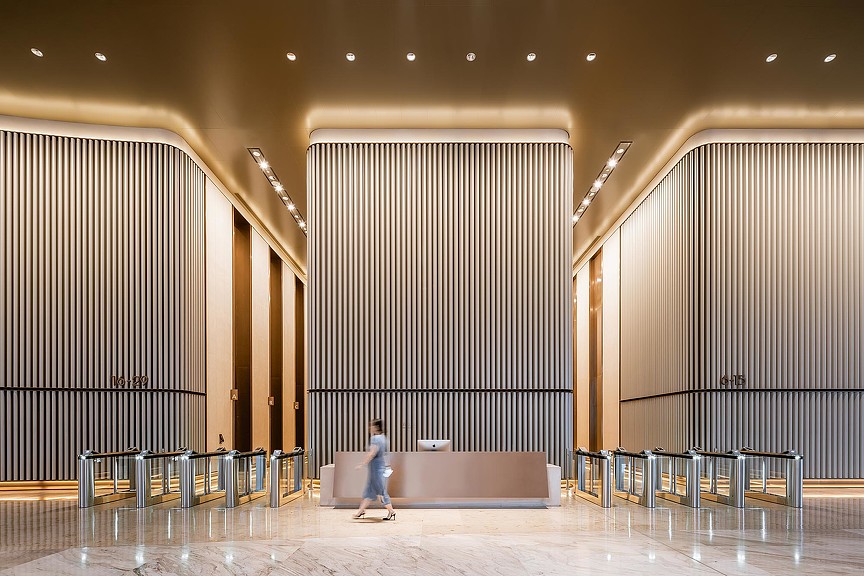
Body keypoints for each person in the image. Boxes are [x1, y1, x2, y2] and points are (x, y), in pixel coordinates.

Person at [353, 418, 396, 521]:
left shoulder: (375, 439)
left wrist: (362, 464)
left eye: (371, 425)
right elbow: (385, 454)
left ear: (376, 427)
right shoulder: (385, 439)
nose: (370, 427)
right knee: (369, 490)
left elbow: (372, 453)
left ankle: (391, 511)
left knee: (381, 491)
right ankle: (360, 511)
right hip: (380, 467)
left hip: (376, 469)